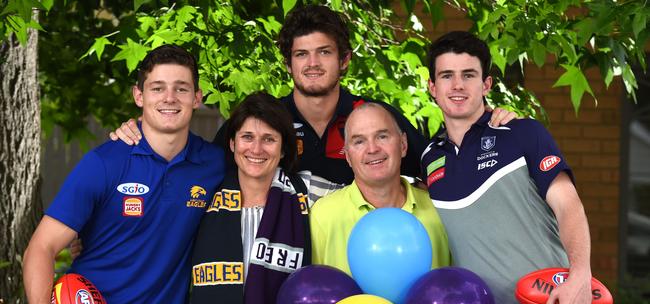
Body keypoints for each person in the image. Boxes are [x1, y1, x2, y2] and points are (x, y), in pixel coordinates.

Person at [111, 5, 517, 185]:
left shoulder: (375, 119)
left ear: (344, 60)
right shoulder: (262, 123)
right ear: (288, 63)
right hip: (277, 275)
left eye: (324, 52)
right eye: (301, 54)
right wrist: (140, 132)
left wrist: (489, 123)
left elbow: (440, 170)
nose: (312, 64)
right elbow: (196, 171)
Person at [23, 45, 226, 304]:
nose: (169, 98)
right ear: (139, 96)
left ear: (197, 98)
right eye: (157, 88)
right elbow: (41, 247)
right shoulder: (105, 162)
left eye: (181, 88)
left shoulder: (216, 165)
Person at [421, 31, 601, 304]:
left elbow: (569, 205)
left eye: (469, 75)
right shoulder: (428, 157)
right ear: (432, 87)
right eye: (447, 76)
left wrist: (580, 276)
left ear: (486, 84)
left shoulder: (522, 132)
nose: (457, 85)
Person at [188, 92, 340, 304]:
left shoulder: (308, 193)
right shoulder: (202, 195)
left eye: (269, 139)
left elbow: (364, 194)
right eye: (247, 137)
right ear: (232, 143)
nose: (256, 149)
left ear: (283, 148)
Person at [309, 102, 455, 304]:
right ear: (348, 155)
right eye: (359, 141)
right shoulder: (323, 216)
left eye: (382, 136)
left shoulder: (440, 211)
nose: (372, 149)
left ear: (403, 144)